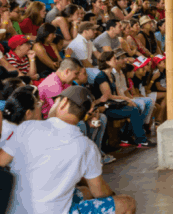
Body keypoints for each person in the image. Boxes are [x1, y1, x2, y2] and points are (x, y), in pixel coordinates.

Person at [0, 85, 137, 214]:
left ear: (63, 102)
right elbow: (99, 193)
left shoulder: (26, 128)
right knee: (127, 203)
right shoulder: (87, 146)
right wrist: (113, 196)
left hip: (16, 209)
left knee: (84, 191)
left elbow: (1, 161)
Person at [93, 51, 154, 148]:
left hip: (111, 104)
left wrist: (126, 100)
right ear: (107, 62)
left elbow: (115, 93)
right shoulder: (102, 77)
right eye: (114, 59)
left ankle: (129, 137)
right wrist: (126, 99)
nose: (116, 61)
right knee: (133, 110)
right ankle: (140, 140)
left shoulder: (111, 75)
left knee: (135, 108)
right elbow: (108, 96)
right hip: (105, 108)